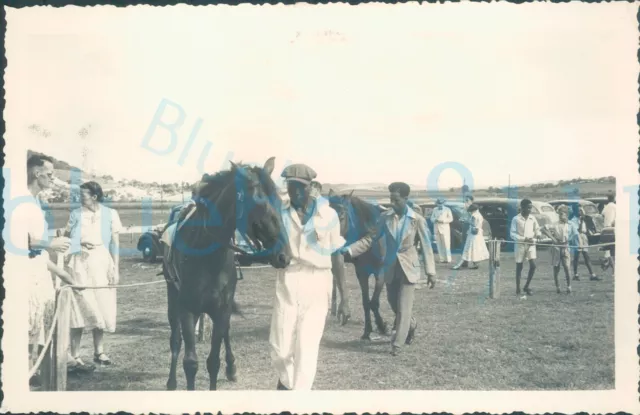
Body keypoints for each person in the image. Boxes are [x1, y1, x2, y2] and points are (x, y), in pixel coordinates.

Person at [269, 164, 350, 391]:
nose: (295, 192)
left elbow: (337, 257)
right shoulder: (279, 213)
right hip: (288, 280)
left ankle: (298, 397)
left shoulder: (329, 215)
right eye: (290, 186)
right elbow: (272, 248)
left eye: (300, 187)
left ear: (312, 187)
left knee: (307, 347)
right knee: (280, 347)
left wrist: (344, 298)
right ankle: (288, 384)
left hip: (318, 281)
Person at [340, 182, 436, 356]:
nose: (392, 202)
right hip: (390, 267)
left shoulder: (417, 220)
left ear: (406, 199)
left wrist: (431, 272)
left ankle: (396, 344)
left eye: (396, 199)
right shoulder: (385, 217)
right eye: (391, 198)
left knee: (404, 306)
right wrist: (350, 249)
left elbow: (427, 246)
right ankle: (411, 325)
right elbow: (371, 239)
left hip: (409, 266)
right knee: (394, 304)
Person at [25, 154, 79, 385]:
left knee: (39, 327)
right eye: (49, 173)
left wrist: (63, 273)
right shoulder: (21, 202)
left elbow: (37, 251)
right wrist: (50, 244)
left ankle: (33, 372)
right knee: (26, 324)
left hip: (38, 273)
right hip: (23, 276)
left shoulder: (37, 202)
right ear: (37, 173)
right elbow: (16, 240)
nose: (52, 178)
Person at [64, 181, 122, 367]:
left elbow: (115, 242)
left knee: (101, 304)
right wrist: (79, 245)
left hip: (102, 262)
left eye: (83, 195)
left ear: (94, 197)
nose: (79, 199)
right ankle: (75, 355)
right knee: (79, 306)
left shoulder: (111, 214)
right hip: (79, 263)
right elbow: (65, 239)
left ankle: (99, 352)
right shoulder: (75, 214)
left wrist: (115, 269)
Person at [540, 205, 575, 294]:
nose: (560, 216)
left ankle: (569, 286)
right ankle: (558, 287)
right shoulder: (555, 224)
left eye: (562, 214)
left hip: (566, 247)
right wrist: (553, 238)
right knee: (556, 268)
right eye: (559, 214)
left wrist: (569, 239)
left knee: (567, 267)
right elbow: (543, 228)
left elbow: (575, 234)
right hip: (556, 248)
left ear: (566, 215)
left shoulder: (570, 224)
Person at [510, 199, 541, 296]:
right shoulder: (516, 219)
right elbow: (512, 234)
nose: (529, 210)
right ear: (522, 208)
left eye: (530, 207)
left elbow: (537, 229)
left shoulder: (532, 218)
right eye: (528, 207)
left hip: (531, 245)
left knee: (533, 266)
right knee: (519, 266)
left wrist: (538, 234)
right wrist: (524, 239)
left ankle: (526, 286)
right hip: (520, 245)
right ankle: (518, 288)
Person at [452, 204, 489, 270]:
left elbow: (473, 224)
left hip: (473, 233)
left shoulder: (474, 215)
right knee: (475, 248)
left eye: (471, 211)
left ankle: (459, 264)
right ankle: (476, 263)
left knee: (468, 248)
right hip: (478, 233)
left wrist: (465, 221)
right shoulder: (480, 215)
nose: (470, 212)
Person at [570, 205, 600, 281]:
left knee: (586, 255)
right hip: (577, 236)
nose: (581, 212)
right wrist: (581, 221)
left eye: (582, 210)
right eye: (579, 210)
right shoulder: (574, 220)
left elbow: (589, 227)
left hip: (584, 236)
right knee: (577, 256)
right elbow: (577, 229)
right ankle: (575, 274)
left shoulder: (586, 218)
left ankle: (592, 274)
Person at [431, 198, 453, 263]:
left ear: (443, 203)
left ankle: (448, 258)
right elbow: (431, 218)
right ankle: (441, 258)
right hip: (437, 228)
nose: (439, 205)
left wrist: (443, 221)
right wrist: (434, 220)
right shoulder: (435, 209)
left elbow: (451, 219)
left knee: (446, 244)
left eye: (441, 204)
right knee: (439, 244)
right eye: (438, 204)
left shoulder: (447, 209)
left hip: (445, 229)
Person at [601, 194, 616, 272]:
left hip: (605, 229)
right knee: (613, 249)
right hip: (613, 229)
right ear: (614, 199)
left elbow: (602, 215)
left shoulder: (606, 207)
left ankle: (606, 261)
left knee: (608, 248)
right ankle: (609, 263)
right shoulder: (615, 206)